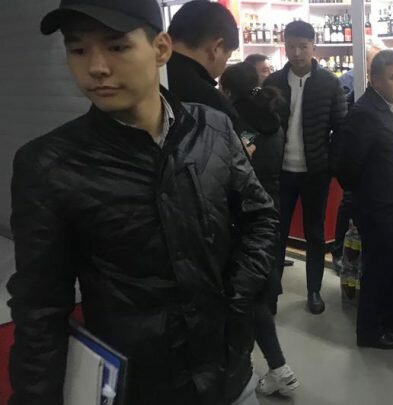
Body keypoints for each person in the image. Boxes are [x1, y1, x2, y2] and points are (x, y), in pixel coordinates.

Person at [7, 1, 278, 404]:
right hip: (140, 387)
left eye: (117, 46)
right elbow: (40, 307)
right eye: (78, 49)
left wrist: (236, 297)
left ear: (161, 48)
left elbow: (261, 218)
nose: (96, 67)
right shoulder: (50, 165)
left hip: (231, 376)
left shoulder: (212, 129)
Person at [219, 62, 300, 397]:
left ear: (228, 91)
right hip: (270, 206)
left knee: (247, 295)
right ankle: (276, 368)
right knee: (260, 290)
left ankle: (268, 369)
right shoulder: (271, 114)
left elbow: (242, 157)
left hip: (245, 211)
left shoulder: (240, 122)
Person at [336, 50, 393, 350]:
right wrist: (367, 195)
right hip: (377, 207)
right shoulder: (364, 113)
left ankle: (390, 316)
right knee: (379, 269)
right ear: (375, 79)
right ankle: (369, 331)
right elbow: (346, 166)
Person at [263, 20, 347, 314]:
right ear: (284, 46)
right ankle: (271, 292)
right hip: (280, 172)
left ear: (314, 46)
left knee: (315, 234)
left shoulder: (329, 83)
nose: (296, 53)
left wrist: (330, 165)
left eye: (303, 46)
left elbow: (341, 127)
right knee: (275, 233)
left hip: (315, 172)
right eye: (291, 46)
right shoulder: (273, 81)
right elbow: (260, 124)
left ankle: (314, 290)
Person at [332, 36, 386, 272]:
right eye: (375, 59)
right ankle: (338, 252)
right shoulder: (347, 81)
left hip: (375, 152)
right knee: (348, 202)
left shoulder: (382, 81)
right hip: (353, 150)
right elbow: (342, 117)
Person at [166, 0, 246, 133]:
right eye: (227, 57)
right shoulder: (212, 103)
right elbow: (240, 142)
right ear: (217, 48)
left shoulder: (146, 77)